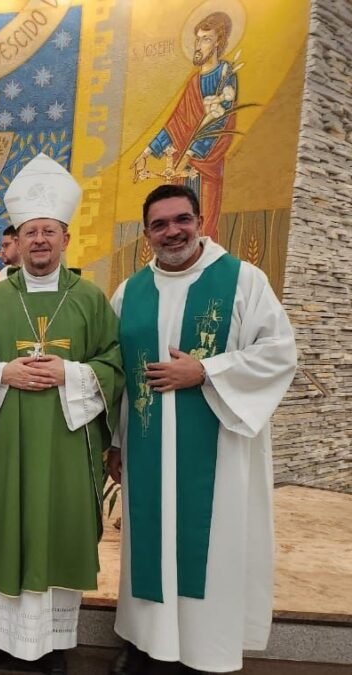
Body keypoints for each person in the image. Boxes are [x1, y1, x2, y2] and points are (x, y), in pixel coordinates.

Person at [107, 184, 296, 675]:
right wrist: (115, 442)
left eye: (181, 219)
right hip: (147, 448)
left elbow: (278, 352)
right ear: (147, 233)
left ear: (200, 219)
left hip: (218, 452)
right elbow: (115, 373)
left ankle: (203, 650)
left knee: (209, 548)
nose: (172, 232)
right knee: (148, 544)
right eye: (160, 224)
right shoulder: (131, 291)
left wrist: (206, 371)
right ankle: (148, 644)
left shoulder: (242, 280)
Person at [0, 153, 124, 675]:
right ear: (20, 238)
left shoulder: (90, 299)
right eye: (31, 232)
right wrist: (0, 374)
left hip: (63, 442)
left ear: (65, 239)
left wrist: (70, 375)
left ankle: (54, 642)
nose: (39, 241)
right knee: (2, 524)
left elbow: (114, 365)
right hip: (6, 438)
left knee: (55, 528)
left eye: (48, 232)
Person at [132, 12, 238, 240]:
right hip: (183, 166)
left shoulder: (225, 75)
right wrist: (146, 152)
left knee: (204, 224)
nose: (199, 45)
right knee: (179, 224)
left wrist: (190, 155)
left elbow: (219, 122)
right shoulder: (193, 82)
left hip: (206, 164)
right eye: (197, 39)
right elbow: (176, 123)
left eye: (206, 39)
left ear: (218, 42)